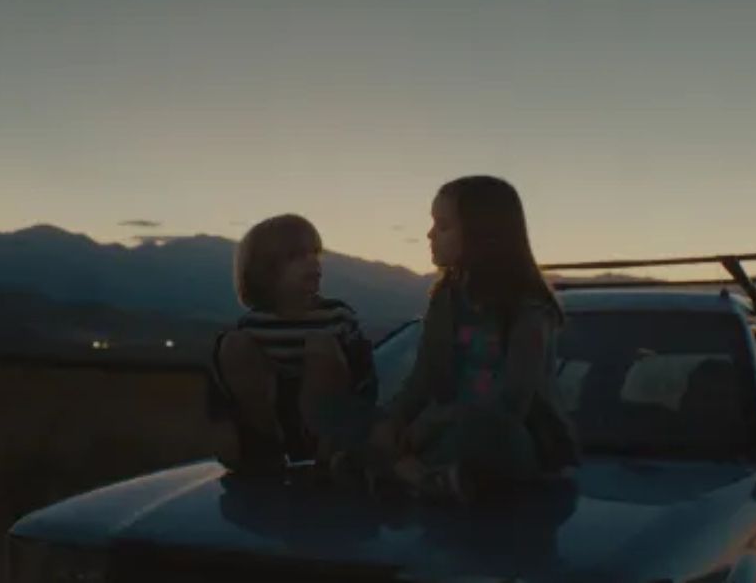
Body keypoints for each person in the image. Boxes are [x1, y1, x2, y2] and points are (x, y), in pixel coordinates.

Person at [369, 175, 579, 503]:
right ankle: (423, 475)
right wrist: (393, 421)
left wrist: (434, 422)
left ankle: (416, 475)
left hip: (509, 442)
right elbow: (422, 380)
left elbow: (512, 402)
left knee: (485, 429)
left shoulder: (528, 310)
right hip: (446, 433)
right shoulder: (445, 300)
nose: (429, 235)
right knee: (355, 418)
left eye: (443, 226)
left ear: (482, 234)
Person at [207, 214, 378, 477]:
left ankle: (319, 441)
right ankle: (265, 442)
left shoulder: (337, 317)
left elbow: (364, 377)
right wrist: (224, 430)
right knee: (233, 344)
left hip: (329, 420)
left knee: (321, 346)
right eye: (296, 257)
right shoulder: (253, 326)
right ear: (265, 270)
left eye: (315, 254)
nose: (312, 262)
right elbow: (222, 387)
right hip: (274, 414)